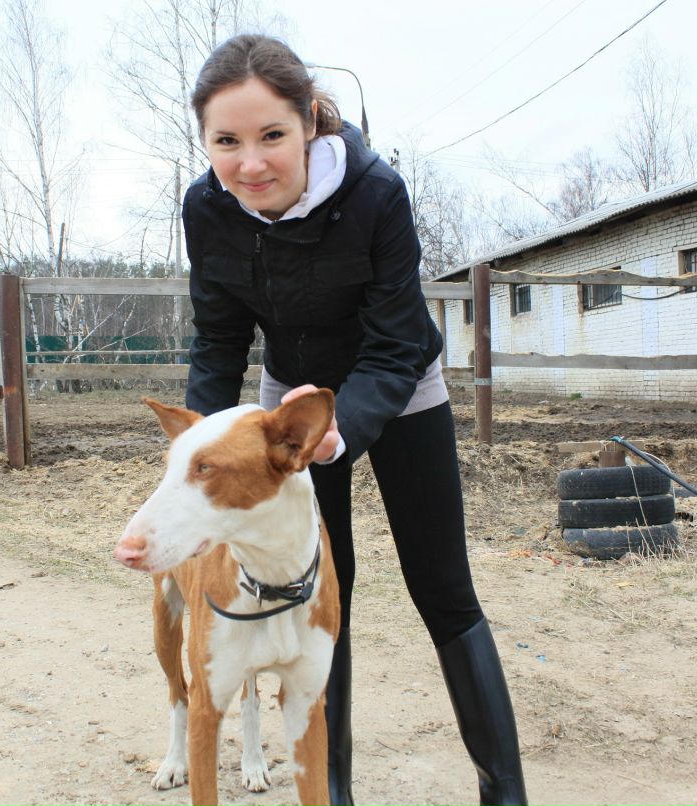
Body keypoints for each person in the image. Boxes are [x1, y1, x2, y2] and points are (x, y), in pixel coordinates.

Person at [181, 33, 528, 806]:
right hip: (292, 403)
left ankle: (505, 794)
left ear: (309, 122)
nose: (250, 164)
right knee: (316, 598)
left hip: (398, 384)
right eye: (226, 142)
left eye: (272, 135)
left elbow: (398, 341)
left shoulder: (375, 192)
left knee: (443, 588)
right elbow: (218, 339)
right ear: (205, 142)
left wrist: (349, 424)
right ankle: (329, 791)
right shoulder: (206, 209)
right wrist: (199, 454)